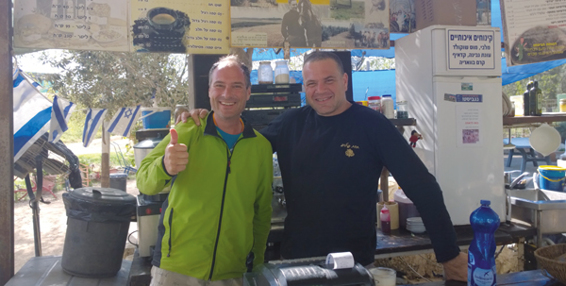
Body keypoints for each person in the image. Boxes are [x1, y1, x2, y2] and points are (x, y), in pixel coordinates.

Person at [182, 51, 468, 282]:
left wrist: (449, 255)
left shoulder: (372, 125)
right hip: (298, 261)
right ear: (303, 86)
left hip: (354, 262)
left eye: (328, 80)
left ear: (344, 81)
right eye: (311, 83)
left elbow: (422, 186)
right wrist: (209, 118)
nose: (320, 90)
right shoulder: (291, 123)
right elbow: (240, 146)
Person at [137, 55, 273, 286]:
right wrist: (165, 167)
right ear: (209, 90)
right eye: (219, 85)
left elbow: (262, 212)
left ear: (248, 92)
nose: (227, 94)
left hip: (232, 271)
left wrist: (255, 265)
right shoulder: (189, 130)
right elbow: (144, 181)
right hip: (176, 269)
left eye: (236, 86)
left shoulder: (261, 147)